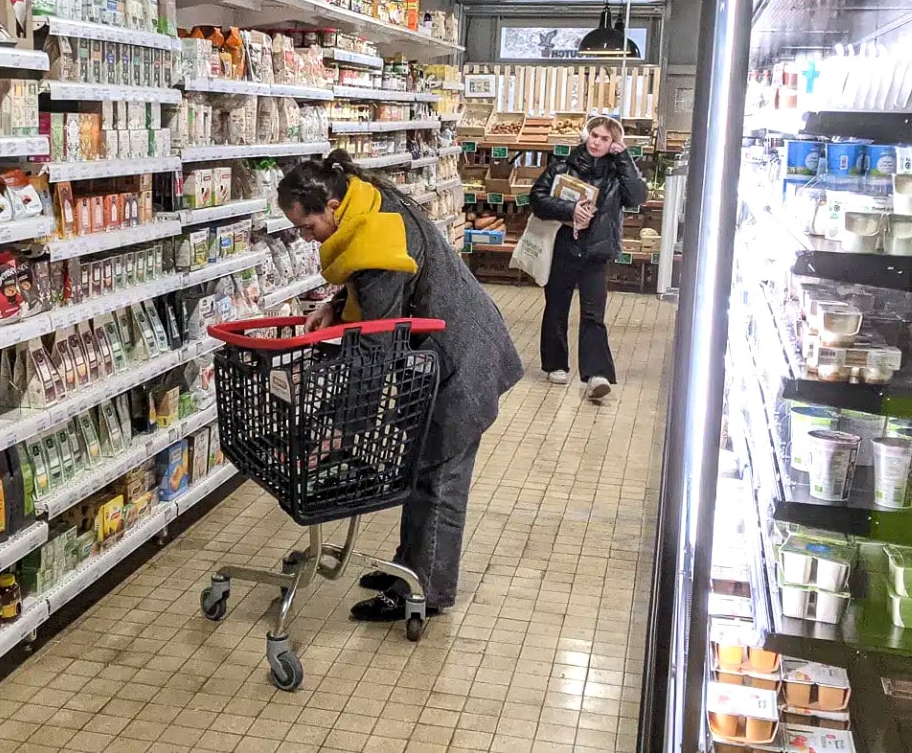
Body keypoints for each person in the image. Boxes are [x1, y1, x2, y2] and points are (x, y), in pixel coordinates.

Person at [277, 149, 524, 623]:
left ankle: (424, 592)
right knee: (422, 466)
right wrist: (337, 301)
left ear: (330, 206)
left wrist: (342, 429)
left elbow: (376, 346)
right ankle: (409, 568)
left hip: (461, 359)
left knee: (440, 476)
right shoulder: (367, 200)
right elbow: (366, 277)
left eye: (308, 228)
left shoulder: (376, 236)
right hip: (445, 348)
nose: (307, 239)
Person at [528, 114, 649, 400]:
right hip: (564, 247)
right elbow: (537, 199)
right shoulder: (563, 166)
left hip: (597, 251)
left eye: (605, 139)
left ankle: (597, 375)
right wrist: (568, 211)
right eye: (594, 135)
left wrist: (625, 159)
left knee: (594, 314)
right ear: (586, 135)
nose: (597, 142)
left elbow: (637, 196)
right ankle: (555, 363)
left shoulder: (618, 173)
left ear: (614, 142)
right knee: (556, 307)